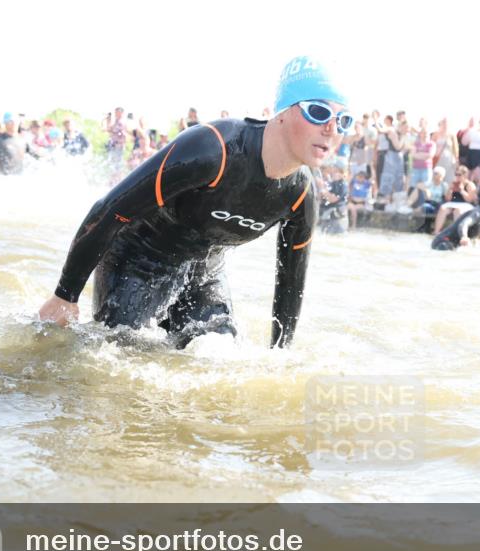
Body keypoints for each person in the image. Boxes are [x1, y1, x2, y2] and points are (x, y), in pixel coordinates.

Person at [38, 56, 351, 349]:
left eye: (343, 120)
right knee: (124, 356)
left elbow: (290, 283)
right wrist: (65, 295)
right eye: (318, 112)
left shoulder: (300, 196)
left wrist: (280, 355)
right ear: (281, 112)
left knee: (217, 357)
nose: (331, 128)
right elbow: (109, 210)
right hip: (138, 261)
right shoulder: (213, 149)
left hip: (205, 274)